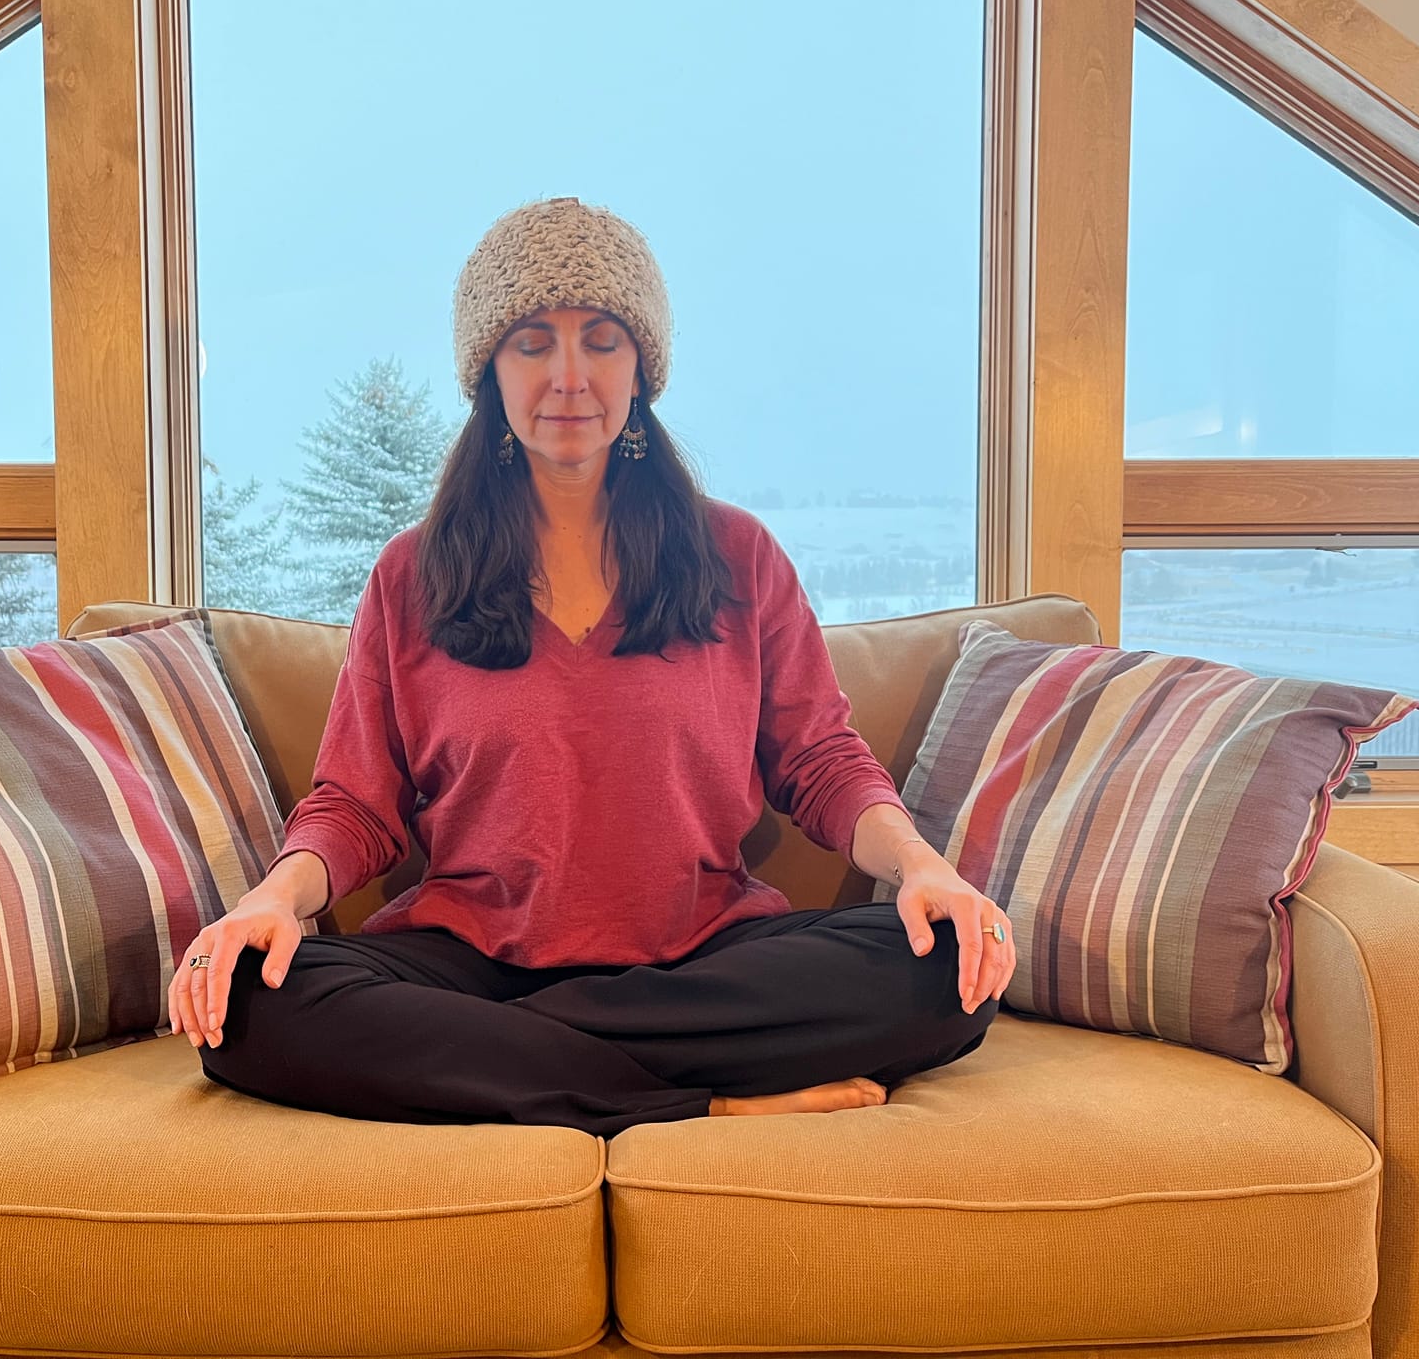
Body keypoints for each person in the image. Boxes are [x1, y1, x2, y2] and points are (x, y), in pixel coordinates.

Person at [168, 196, 1015, 1138]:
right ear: (487, 370)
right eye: (533, 341)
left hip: (707, 958)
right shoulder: (412, 573)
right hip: (472, 955)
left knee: (946, 971)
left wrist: (923, 870)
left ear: (642, 367)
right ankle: (706, 1103)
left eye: (601, 340)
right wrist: (270, 901)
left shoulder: (738, 556)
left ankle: (498, 1060)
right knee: (244, 1005)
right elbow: (356, 805)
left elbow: (819, 761)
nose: (569, 376)